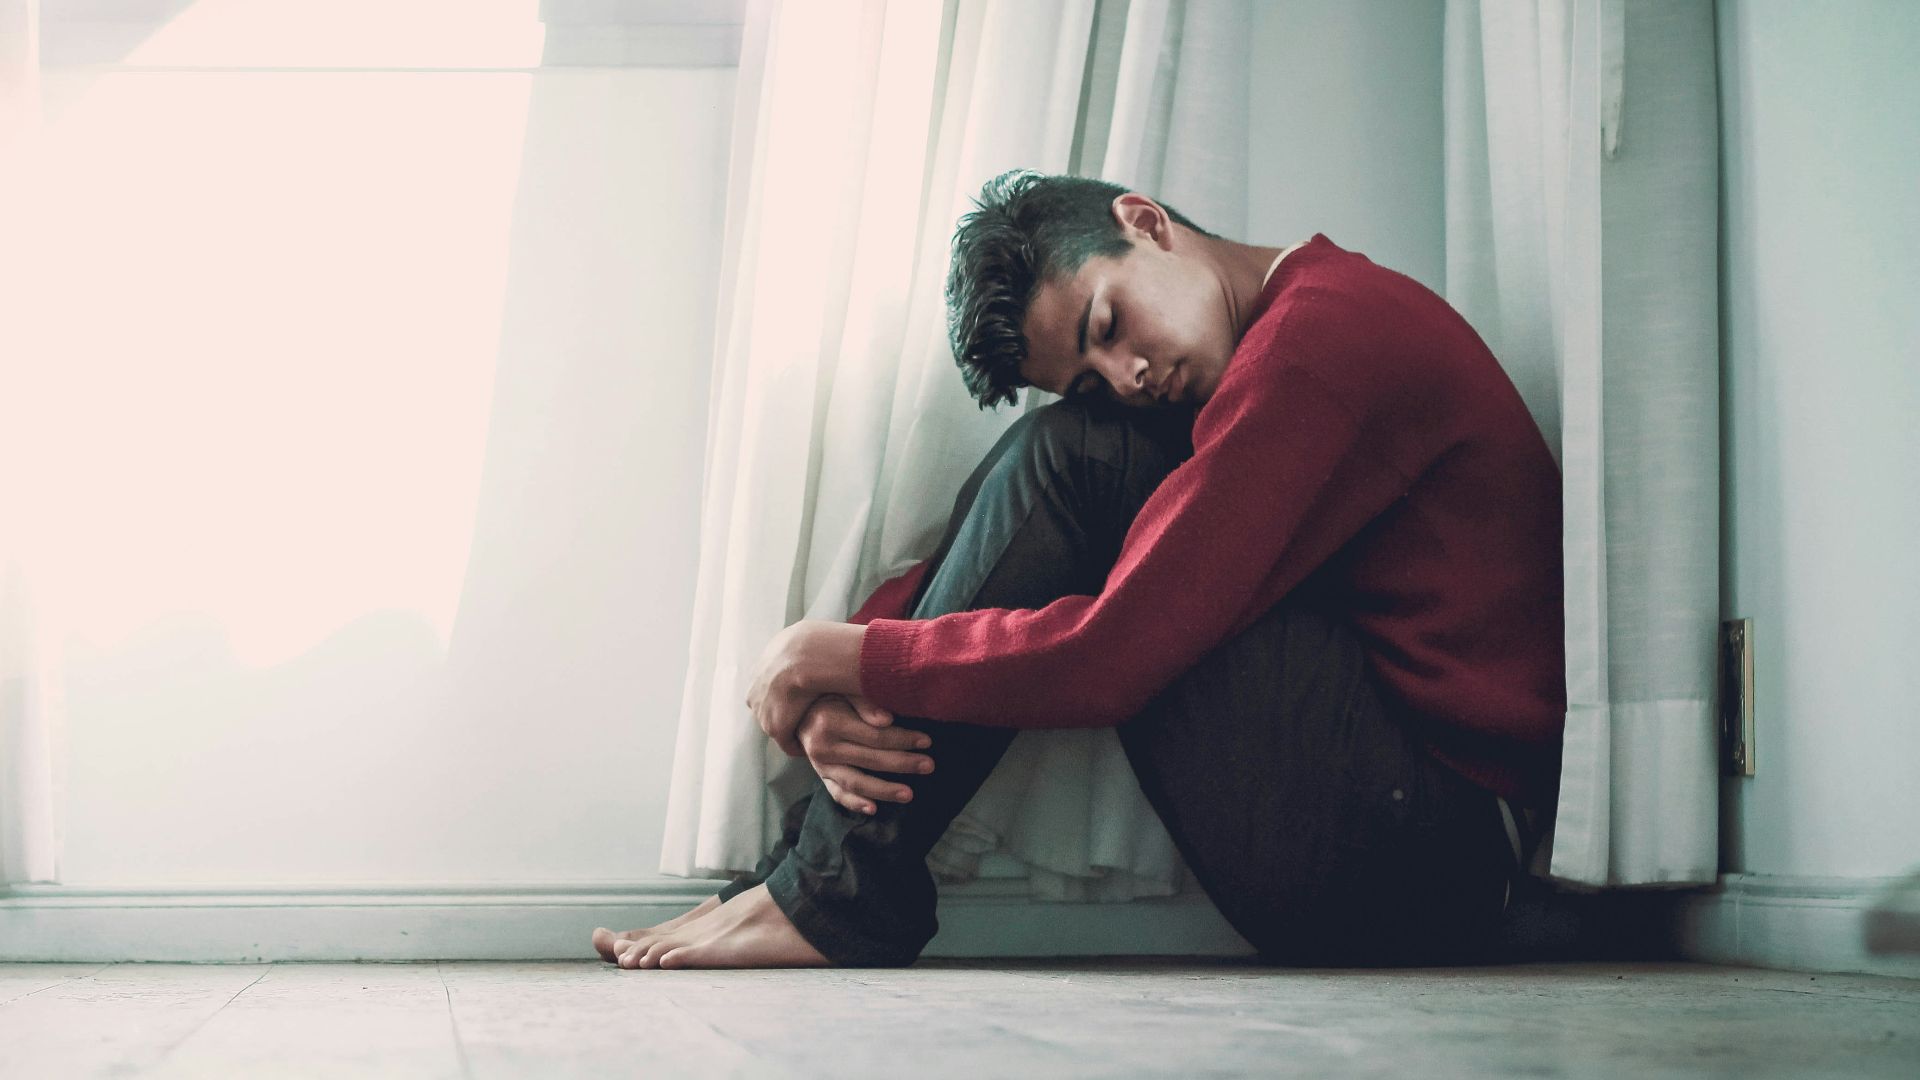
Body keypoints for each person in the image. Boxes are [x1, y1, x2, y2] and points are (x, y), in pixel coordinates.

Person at [591, 170, 1565, 969]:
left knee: (1078, 455)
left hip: (1433, 859)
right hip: (1394, 825)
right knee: (1071, 446)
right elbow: (1021, 549)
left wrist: (843, 658)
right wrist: (840, 670)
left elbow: (1115, 655)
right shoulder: (1281, 345)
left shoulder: (1322, 344)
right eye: (1095, 373)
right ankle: (812, 880)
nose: (1131, 376)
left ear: (1146, 223)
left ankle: (828, 894)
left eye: (1109, 323)